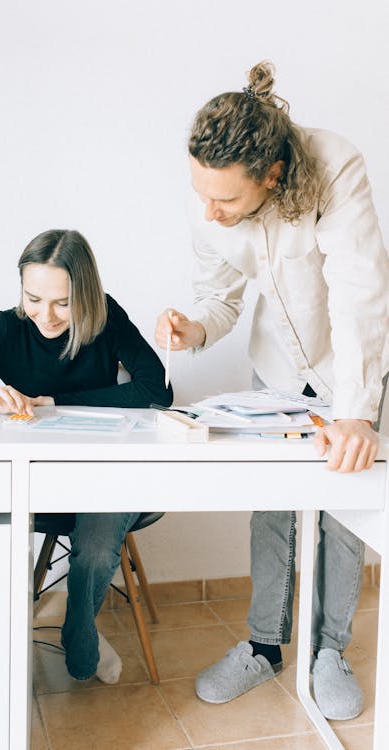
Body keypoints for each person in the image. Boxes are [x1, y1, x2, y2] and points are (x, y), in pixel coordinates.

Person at [155, 61, 388, 720]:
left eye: (224, 199)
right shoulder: (213, 198)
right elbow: (219, 297)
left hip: (350, 365)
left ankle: (329, 650)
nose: (209, 210)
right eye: (202, 193)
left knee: (343, 508)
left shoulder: (336, 167)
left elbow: (358, 290)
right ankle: (263, 645)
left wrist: (356, 412)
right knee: (273, 509)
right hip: (277, 370)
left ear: (272, 175)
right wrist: (195, 325)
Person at [0, 228, 173, 683]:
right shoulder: (6, 329)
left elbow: (157, 391)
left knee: (97, 546)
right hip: (36, 483)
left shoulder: (107, 318)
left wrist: (57, 400)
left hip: (105, 474)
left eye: (63, 303)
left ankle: (78, 629)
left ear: (85, 294)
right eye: (34, 298)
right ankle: (70, 631)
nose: (45, 315)